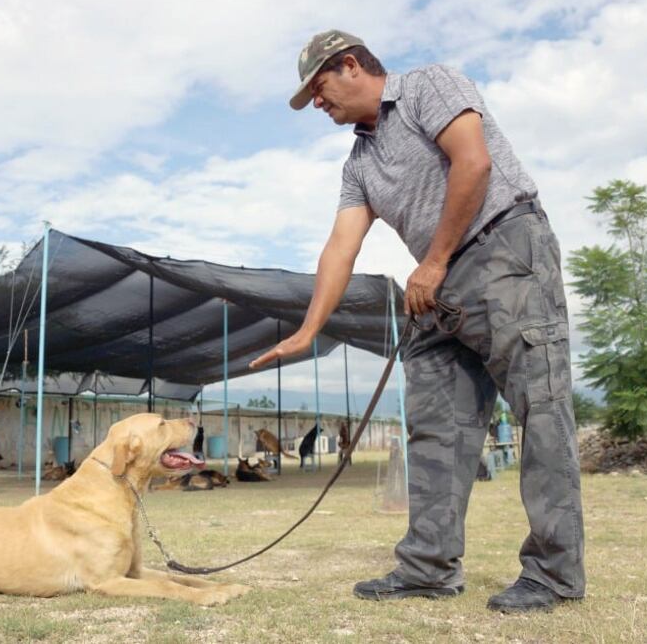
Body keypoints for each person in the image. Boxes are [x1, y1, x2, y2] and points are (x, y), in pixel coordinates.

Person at [249, 30, 585, 613]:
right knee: (434, 427)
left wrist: (433, 261)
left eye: (320, 90)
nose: (318, 105)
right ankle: (429, 567)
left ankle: (554, 575)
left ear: (350, 65)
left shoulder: (430, 84)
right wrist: (307, 331)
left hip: (505, 250)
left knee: (543, 407)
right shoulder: (358, 164)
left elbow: (473, 163)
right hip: (438, 285)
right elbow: (339, 248)